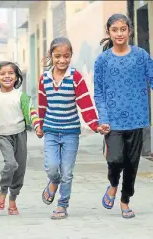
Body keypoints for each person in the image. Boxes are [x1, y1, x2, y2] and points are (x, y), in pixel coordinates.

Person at [94, 13, 153, 219]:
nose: (119, 33)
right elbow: (98, 92)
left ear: (130, 31)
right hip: (112, 120)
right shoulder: (102, 60)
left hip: (137, 118)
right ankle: (112, 184)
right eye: (115, 30)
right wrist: (103, 118)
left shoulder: (141, 56)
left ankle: (125, 200)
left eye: (123, 29)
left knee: (132, 164)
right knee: (116, 159)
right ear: (108, 32)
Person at [38, 37, 100, 219]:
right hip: (50, 130)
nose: (62, 60)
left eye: (66, 56)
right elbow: (42, 105)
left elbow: (85, 104)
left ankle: (62, 205)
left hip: (71, 132)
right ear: (51, 55)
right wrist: (40, 126)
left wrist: (95, 125)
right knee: (52, 167)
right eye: (57, 56)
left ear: (71, 56)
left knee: (67, 172)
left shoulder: (76, 77)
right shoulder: (45, 79)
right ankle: (52, 182)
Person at [0, 61, 43, 215]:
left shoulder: (21, 96)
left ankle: (13, 201)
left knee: (20, 169)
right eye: (2, 74)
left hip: (20, 134)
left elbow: (32, 112)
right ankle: (3, 192)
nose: (7, 76)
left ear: (17, 77)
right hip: (3, 135)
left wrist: (37, 127)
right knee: (11, 164)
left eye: (11, 73)